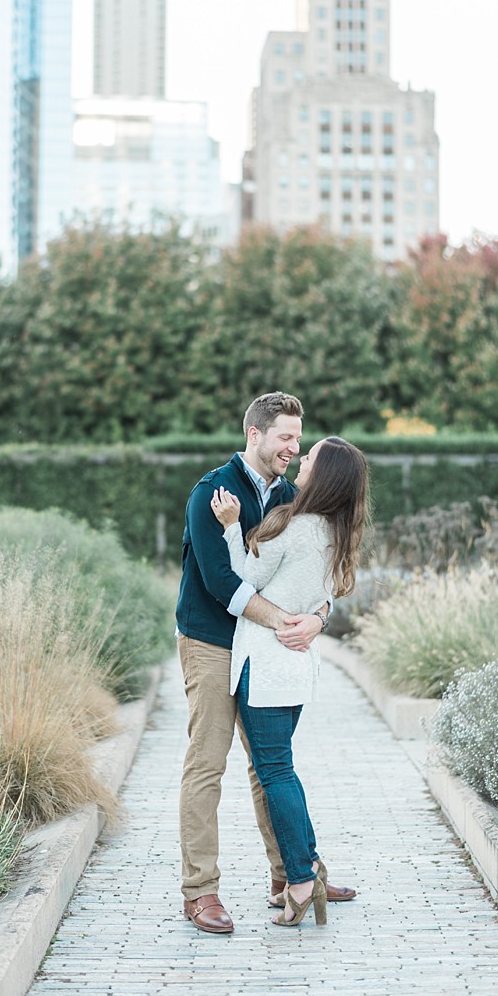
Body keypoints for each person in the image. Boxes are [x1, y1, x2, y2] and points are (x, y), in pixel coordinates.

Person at [176, 392, 356, 936]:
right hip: (212, 642)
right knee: (208, 763)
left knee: (269, 765)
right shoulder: (212, 492)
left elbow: (319, 568)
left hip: (263, 651)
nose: (292, 449)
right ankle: (200, 890)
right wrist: (283, 619)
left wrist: (319, 616)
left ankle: (292, 875)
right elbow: (222, 582)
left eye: (298, 441)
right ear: (254, 434)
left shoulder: (291, 496)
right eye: (285, 438)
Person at [211, 435, 370, 927]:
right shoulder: (336, 532)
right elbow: (324, 595)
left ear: (324, 476)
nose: (301, 459)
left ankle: (299, 881)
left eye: (312, 457)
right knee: (283, 769)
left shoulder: (295, 527)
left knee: (275, 773)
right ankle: (310, 870)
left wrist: (232, 526)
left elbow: (243, 578)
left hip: (266, 665)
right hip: (298, 667)